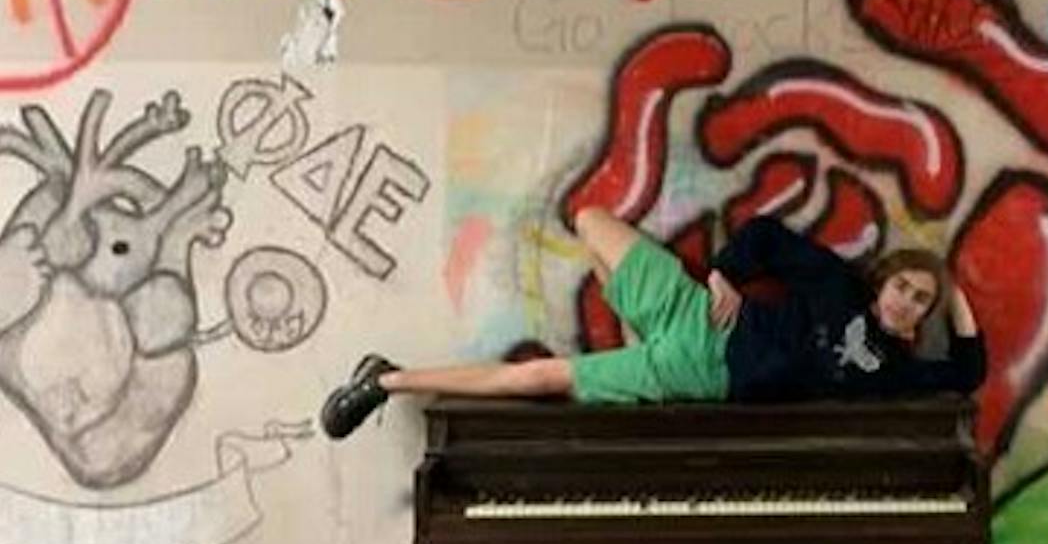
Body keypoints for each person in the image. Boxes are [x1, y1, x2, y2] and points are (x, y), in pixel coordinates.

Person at [320, 207, 985, 439]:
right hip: (696, 313)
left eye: (919, 301)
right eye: (903, 286)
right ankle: (634, 324)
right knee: (590, 219)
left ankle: (387, 380)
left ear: (920, 318)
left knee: (540, 378)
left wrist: (953, 291)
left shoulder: (894, 370)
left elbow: (968, 370)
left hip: (692, 372)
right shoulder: (837, 283)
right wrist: (724, 273)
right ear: (882, 280)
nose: (905, 301)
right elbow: (763, 235)